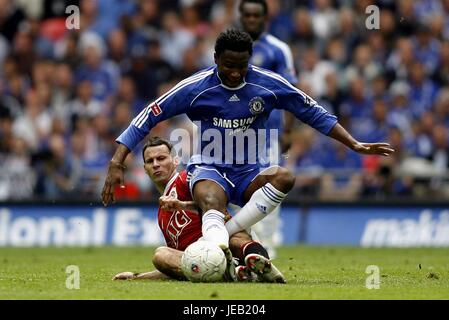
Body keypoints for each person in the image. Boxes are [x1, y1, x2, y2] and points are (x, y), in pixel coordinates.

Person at [102, 29, 394, 267]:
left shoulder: (267, 84)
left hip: (249, 171)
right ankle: (225, 252)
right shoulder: (195, 87)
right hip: (209, 167)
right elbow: (149, 115)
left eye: (241, 67)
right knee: (208, 195)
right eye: (228, 66)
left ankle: (215, 247)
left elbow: (312, 111)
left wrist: (353, 143)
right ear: (216, 58)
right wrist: (118, 160)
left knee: (285, 177)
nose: (234, 73)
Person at [112, 136, 285, 283]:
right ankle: (234, 272)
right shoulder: (162, 214)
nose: (156, 164)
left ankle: (260, 263)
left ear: (175, 160)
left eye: (161, 158)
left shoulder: (189, 178)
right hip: (201, 261)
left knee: (232, 233)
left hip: (225, 244)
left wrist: (184, 205)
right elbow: (180, 263)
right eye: (150, 161)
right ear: (145, 169)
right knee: (161, 255)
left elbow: (217, 205)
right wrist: (137, 277)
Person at [238, 0, 299, 258]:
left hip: (269, 132)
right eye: (247, 15)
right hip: (235, 133)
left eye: (256, 15)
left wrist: (288, 131)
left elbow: (292, 93)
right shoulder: (231, 47)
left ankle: (269, 243)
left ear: (265, 18)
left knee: (271, 186)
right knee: (238, 188)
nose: (252, 19)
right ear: (241, 17)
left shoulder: (278, 49)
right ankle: (242, 243)